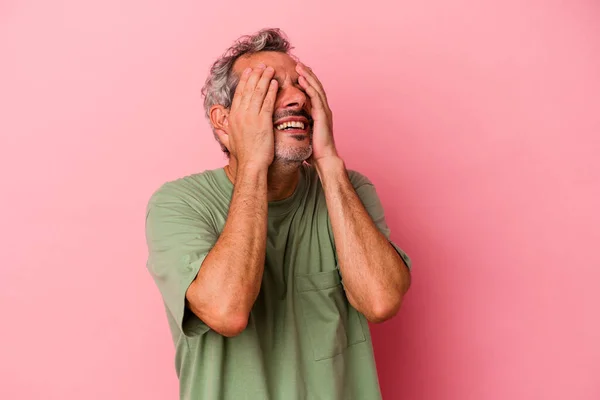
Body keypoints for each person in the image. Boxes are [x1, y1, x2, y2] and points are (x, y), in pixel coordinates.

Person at [145, 27, 412, 400]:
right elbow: (227, 311)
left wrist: (330, 164)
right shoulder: (178, 203)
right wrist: (253, 162)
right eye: (268, 89)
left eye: (301, 86)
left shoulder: (350, 190)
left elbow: (381, 301)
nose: (296, 100)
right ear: (224, 122)